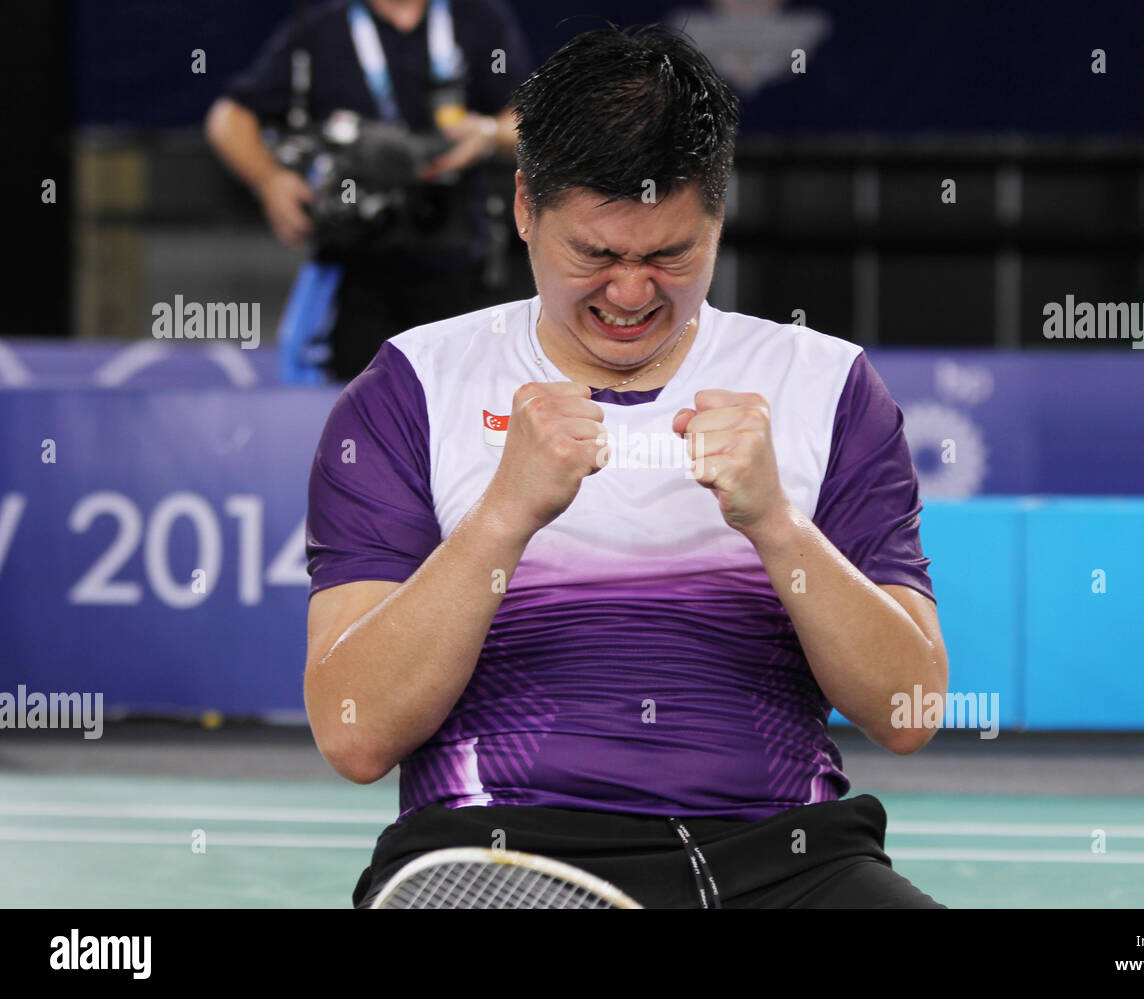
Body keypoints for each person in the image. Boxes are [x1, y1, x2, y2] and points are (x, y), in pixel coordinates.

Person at [303, 24, 949, 909]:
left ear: (718, 214)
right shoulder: (409, 388)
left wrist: (777, 526)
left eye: (669, 255)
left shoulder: (828, 383)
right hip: (502, 858)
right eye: (597, 255)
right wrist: (503, 517)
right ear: (526, 206)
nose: (633, 294)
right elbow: (354, 734)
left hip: (790, 857)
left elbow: (909, 713)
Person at [205, 0, 531, 382]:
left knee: (473, 405)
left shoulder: (477, 17)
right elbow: (228, 118)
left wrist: (488, 135)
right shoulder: (320, 27)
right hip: (360, 268)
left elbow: (530, 117)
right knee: (364, 408)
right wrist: (269, 180)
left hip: (469, 261)